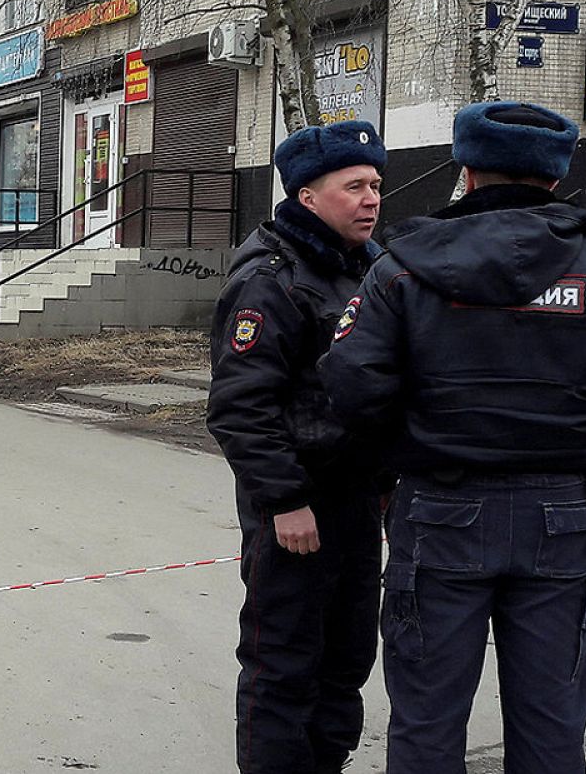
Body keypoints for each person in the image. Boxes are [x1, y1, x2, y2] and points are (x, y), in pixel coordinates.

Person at [320, 102, 586, 774]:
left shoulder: (402, 269)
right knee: (550, 725)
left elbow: (351, 384)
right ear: (557, 174)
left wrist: (411, 443)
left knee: (427, 722)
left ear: (465, 168)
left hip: (439, 508)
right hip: (562, 511)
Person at [207, 118, 389, 774]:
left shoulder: (368, 268)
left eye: (375, 185)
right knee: (283, 663)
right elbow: (239, 406)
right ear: (307, 197)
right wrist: (285, 498)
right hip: (295, 508)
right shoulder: (272, 279)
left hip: (356, 500)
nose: (371, 198)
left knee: (344, 661)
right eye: (354, 187)